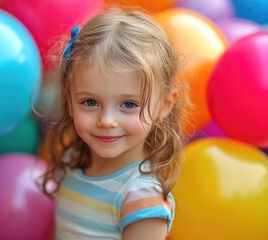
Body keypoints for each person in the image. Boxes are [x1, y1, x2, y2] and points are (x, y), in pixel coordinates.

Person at [40, 7, 190, 240]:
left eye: (129, 105)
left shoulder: (141, 197)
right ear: (68, 99)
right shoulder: (72, 162)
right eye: (90, 102)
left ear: (164, 105)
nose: (107, 121)